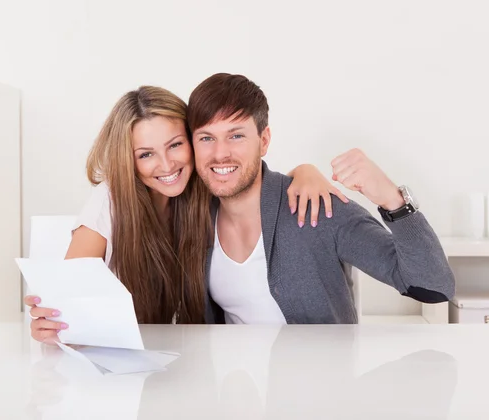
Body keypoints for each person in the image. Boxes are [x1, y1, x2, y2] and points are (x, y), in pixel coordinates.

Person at [24, 85, 348, 343]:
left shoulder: (202, 193)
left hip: (192, 354)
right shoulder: (108, 201)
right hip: (122, 358)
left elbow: (255, 185)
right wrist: (51, 327)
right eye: (146, 154)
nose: (166, 165)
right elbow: (66, 301)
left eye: (175, 145)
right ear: (129, 160)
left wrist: (304, 172)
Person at [185, 73, 455, 325]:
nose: (220, 153)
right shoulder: (193, 218)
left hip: (319, 375)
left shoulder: (316, 208)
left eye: (236, 136)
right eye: (207, 138)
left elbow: (433, 287)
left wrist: (392, 198)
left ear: (264, 140)